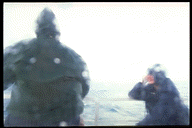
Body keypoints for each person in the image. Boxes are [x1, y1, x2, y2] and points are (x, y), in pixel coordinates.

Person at [4, 8, 90, 126]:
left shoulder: (19, 50)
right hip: (65, 120)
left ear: (37, 28)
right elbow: (85, 87)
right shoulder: (73, 56)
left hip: (23, 120)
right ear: (56, 30)